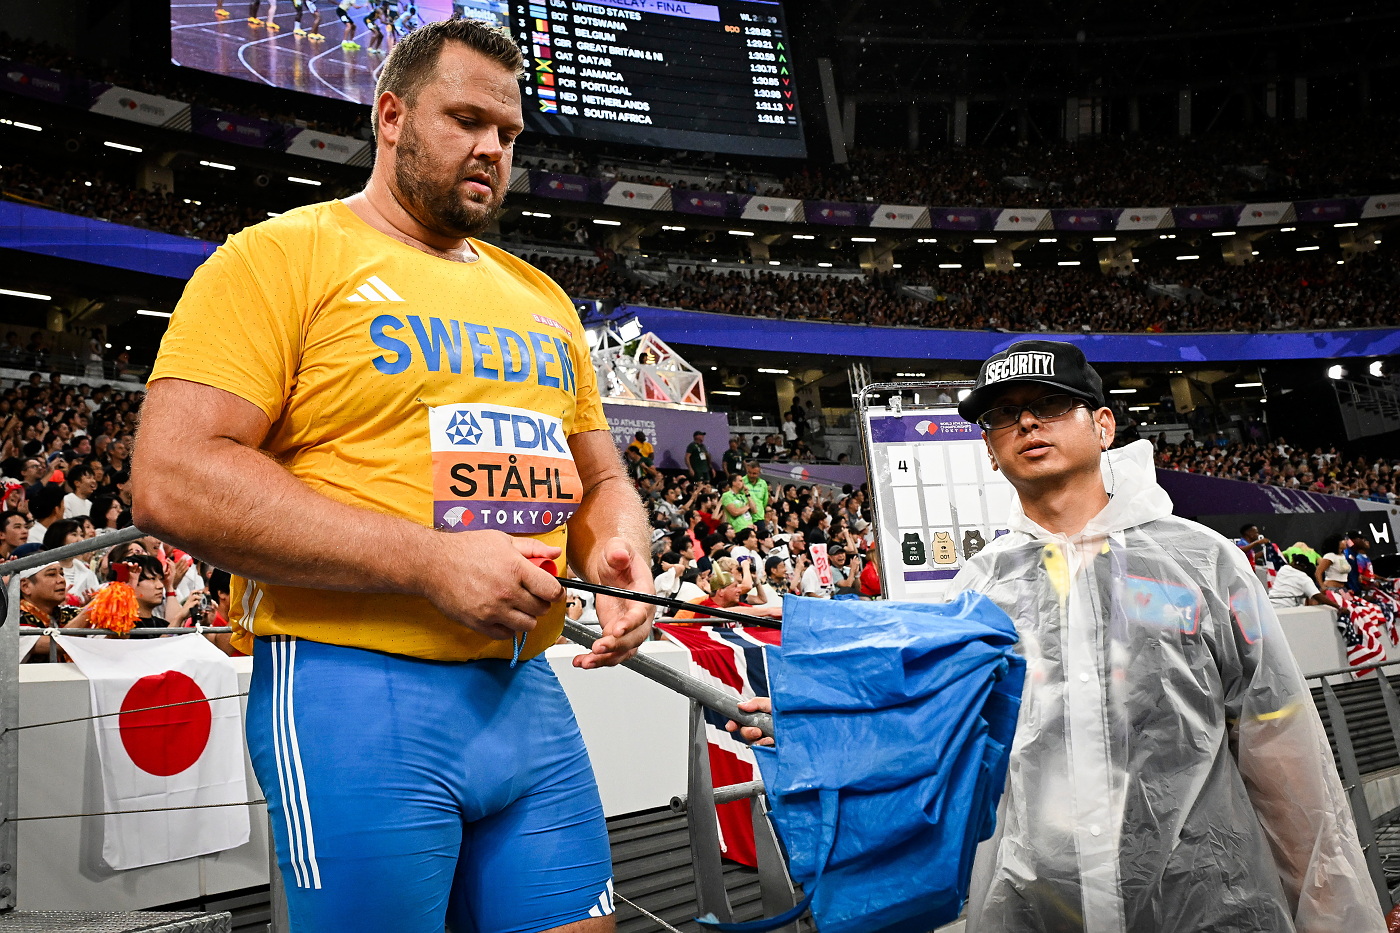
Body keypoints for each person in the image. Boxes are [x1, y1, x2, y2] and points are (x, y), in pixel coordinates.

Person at [134, 19, 652, 933]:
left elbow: (603, 478)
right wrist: (427, 559)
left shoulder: (541, 297)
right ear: (391, 117)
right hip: (351, 692)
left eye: (508, 132)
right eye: (466, 120)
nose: (492, 148)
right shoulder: (279, 257)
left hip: (525, 693)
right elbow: (172, 475)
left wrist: (617, 546)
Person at [730, 339, 1385, 931]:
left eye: (1049, 404)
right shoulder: (980, 589)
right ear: (990, 451)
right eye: (1002, 414)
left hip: (1206, 908)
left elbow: (1282, 745)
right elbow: (937, 735)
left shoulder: (1204, 564)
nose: (1026, 422)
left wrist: (1332, 916)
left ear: (1103, 425)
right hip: (1036, 910)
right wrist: (823, 729)